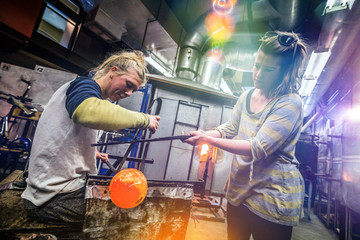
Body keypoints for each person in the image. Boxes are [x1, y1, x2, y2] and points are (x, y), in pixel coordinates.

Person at [183, 31, 308, 240]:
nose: (257, 73)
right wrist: (205, 133)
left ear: (284, 72)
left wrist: (210, 140)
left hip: (272, 198)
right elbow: (231, 127)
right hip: (239, 190)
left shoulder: (290, 103)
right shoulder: (247, 96)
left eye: (267, 69)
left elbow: (257, 148)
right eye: (256, 64)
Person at [21, 50, 160, 224]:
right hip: (51, 198)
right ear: (113, 71)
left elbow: (63, 136)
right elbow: (86, 113)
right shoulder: (83, 86)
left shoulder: (92, 95)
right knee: (130, 216)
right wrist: (144, 119)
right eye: (129, 84)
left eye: (134, 90)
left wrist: (90, 153)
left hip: (56, 191)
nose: (129, 93)